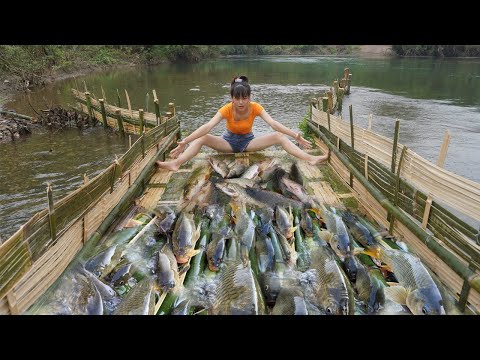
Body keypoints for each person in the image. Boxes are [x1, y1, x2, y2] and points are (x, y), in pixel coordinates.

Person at [156, 75, 329, 171]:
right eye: (237, 98)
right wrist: (184, 142)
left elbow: (273, 124)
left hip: (248, 142)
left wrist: (296, 136)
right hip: (228, 142)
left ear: (249, 97)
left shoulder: (255, 107)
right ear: (231, 98)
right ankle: (176, 163)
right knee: (203, 138)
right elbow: (207, 126)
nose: (240, 102)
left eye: (244, 98)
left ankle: (310, 158)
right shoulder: (226, 109)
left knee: (279, 136)